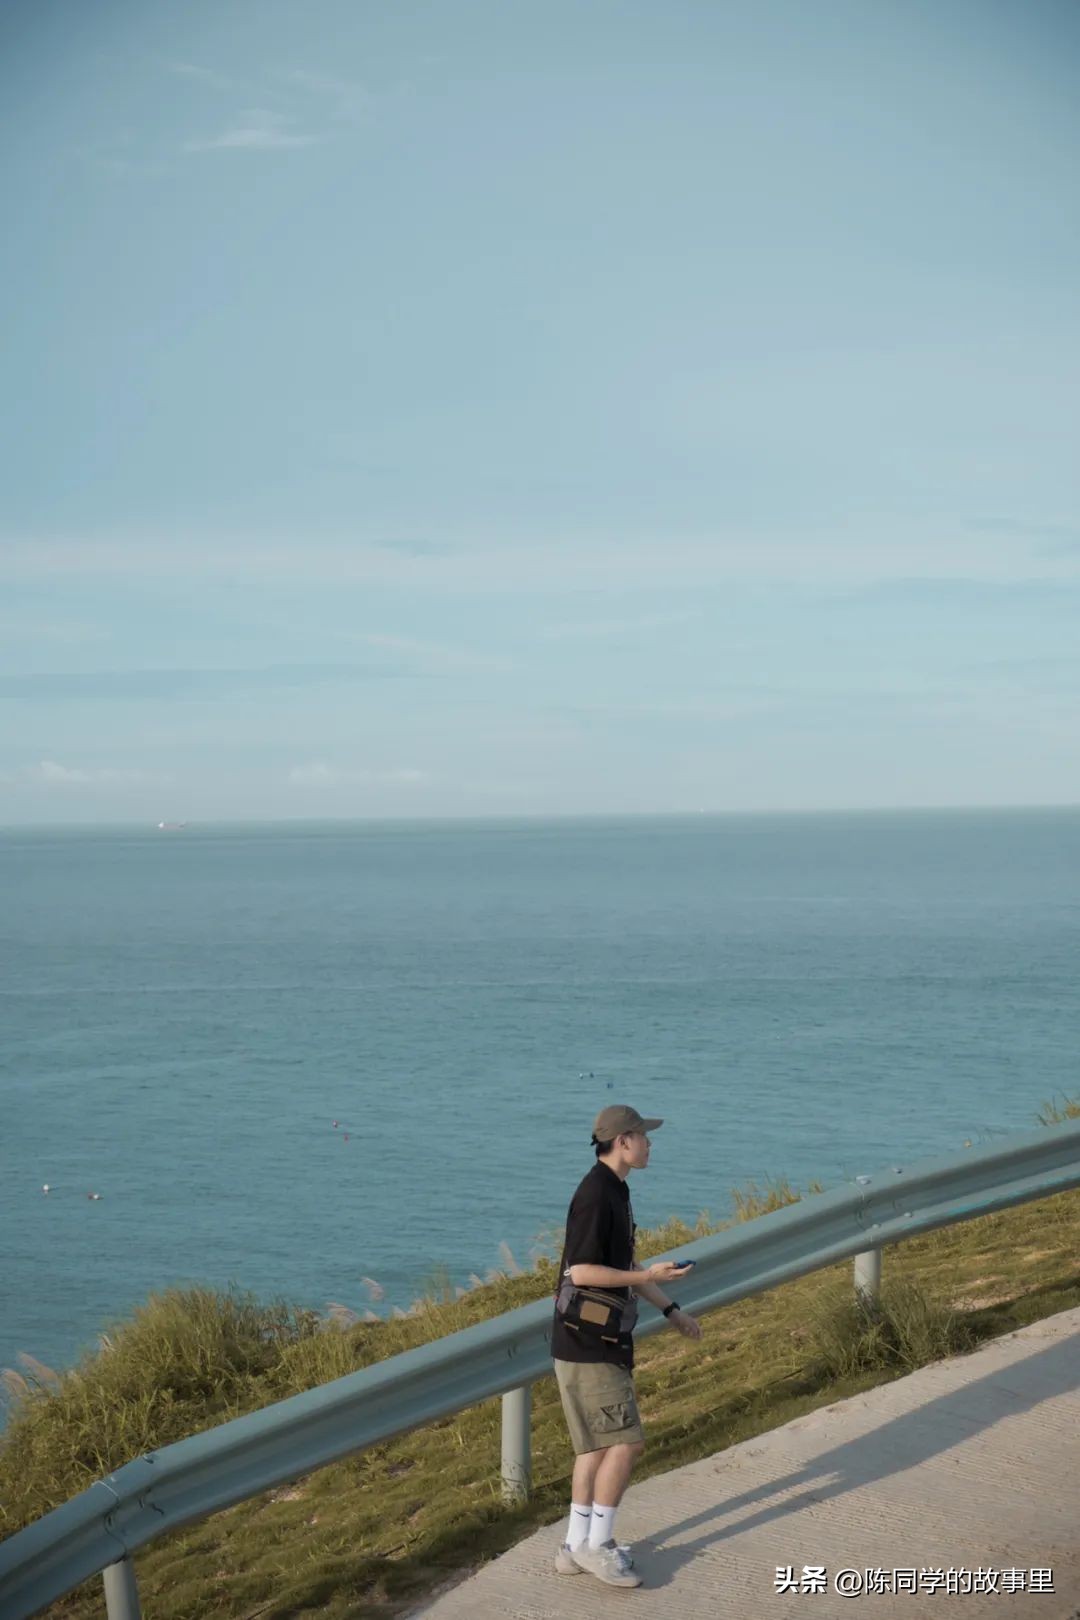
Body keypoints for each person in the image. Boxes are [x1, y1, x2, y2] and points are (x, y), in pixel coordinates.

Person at [550, 1104, 703, 1588]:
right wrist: (646, 1276)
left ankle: (575, 1544)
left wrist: (669, 1308)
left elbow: (626, 1263)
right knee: (627, 1442)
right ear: (623, 1142)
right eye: (644, 1136)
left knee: (594, 1448)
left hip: (585, 1340)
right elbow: (582, 1271)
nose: (650, 1144)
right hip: (591, 1343)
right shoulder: (597, 1196)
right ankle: (600, 1545)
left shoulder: (616, 1189)